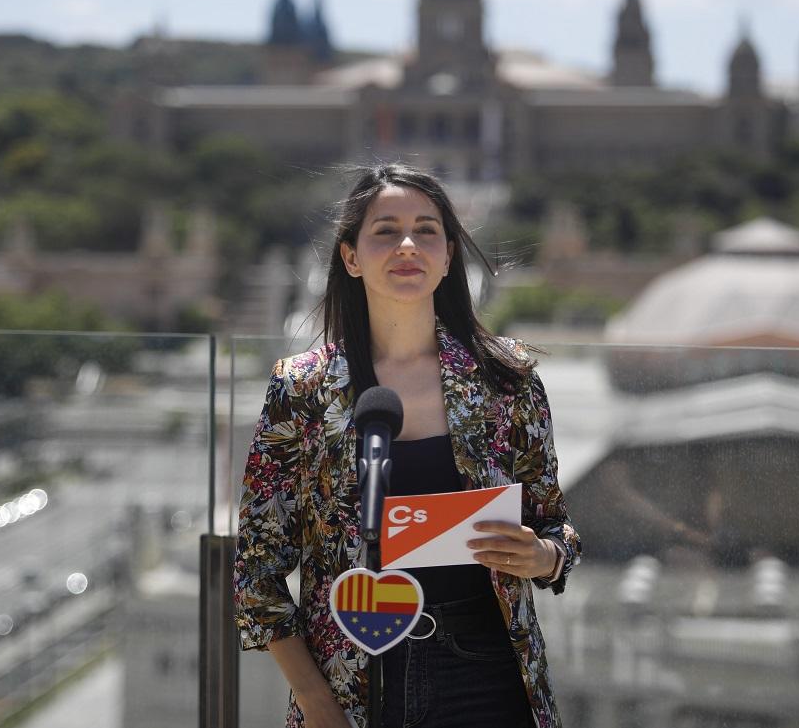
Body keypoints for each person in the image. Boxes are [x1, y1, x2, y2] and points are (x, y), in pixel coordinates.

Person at [234, 164, 581, 728]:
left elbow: (555, 527)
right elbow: (257, 569)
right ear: (350, 257)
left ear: (447, 257)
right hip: (354, 677)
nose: (407, 245)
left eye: (426, 230)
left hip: (489, 669)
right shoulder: (301, 388)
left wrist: (544, 556)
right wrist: (316, 700)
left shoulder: (506, 379)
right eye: (385, 230)